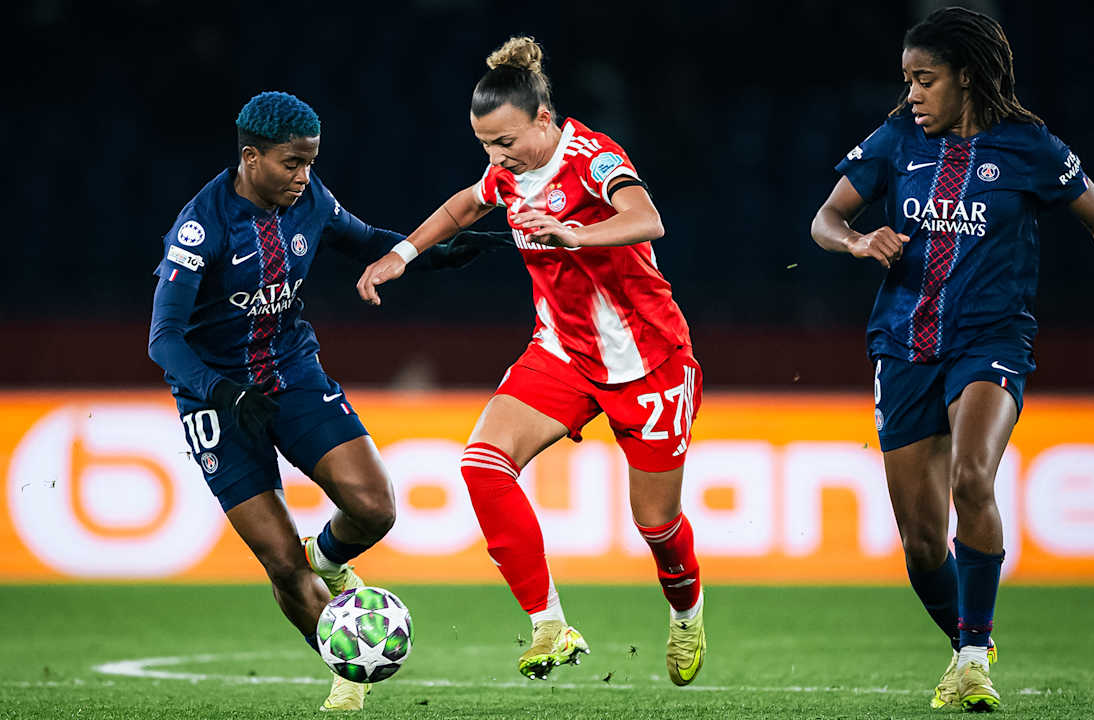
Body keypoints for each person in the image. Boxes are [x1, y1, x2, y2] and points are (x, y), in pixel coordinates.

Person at [810, 7, 1094, 712]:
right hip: (904, 346)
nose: (912, 94)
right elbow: (825, 219)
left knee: (972, 477)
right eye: (908, 80)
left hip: (992, 340)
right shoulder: (895, 140)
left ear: (966, 76)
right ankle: (969, 645)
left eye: (925, 79)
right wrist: (858, 241)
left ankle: (972, 654)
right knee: (921, 544)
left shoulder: (1029, 148)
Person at [356, 37, 707, 686]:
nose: (497, 157)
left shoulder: (592, 158)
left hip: (649, 360)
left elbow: (647, 218)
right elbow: (467, 203)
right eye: (485, 144)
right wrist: (401, 255)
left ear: (544, 119)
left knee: (656, 526)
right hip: (562, 353)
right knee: (482, 465)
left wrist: (578, 234)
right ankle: (549, 623)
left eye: (506, 142)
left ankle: (687, 612)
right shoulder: (508, 172)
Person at [147, 91, 508, 711]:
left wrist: (432, 255)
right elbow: (165, 338)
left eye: (310, 162)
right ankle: (347, 666)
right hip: (217, 399)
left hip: (291, 373)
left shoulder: (309, 199)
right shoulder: (201, 227)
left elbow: (365, 239)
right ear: (251, 158)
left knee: (375, 507)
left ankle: (332, 559)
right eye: (292, 163)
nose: (304, 176)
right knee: (283, 563)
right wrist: (222, 392)